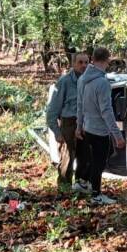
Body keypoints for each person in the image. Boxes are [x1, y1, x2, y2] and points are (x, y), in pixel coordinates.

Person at [76, 46, 124, 206]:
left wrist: (79, 125)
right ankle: (96, 194)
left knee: (98, 157)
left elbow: (80, 104)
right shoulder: (102, 83)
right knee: (99, 162)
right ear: (107, 60)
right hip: (99, 131)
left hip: (88, 127)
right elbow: (107, 112)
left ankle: (86, 182)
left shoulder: (83, 78)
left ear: (92, 59)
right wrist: (117, 135)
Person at [45, 52, 89, 193]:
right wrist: (57, 132)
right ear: (73, 64)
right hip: (69, 123)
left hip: (86, 122)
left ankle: (81, 185)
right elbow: (52, 110)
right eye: (80, 62)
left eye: (86, 62)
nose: (83, 65)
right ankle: (64, 189)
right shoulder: (64, 82)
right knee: (68, 156)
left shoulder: (89, 80)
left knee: (85, 155)